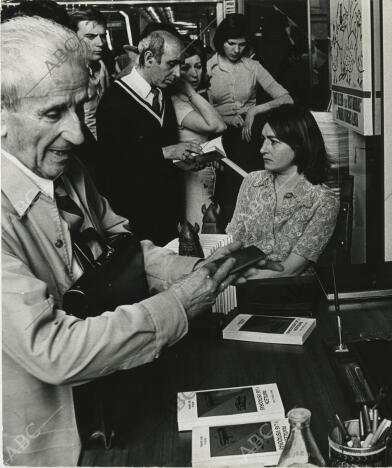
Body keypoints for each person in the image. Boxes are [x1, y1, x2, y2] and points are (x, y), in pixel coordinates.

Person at [1, 17, 279, 466]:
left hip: (118, 410)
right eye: (53, 113)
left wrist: (191, 272)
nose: (76, 133)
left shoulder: (69, 172)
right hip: (50, 448)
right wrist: (180, 305)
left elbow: (123, 249)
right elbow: (52, 350)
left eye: (79, 106)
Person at [96, 29, 203, 246]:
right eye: (171, 64)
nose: (178, 74)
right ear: (148, 58)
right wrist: (165, 152)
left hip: (168, 210)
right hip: (136, 216)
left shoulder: (162, 94)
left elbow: (165, 149)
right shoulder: (113, 100)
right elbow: (112, 165)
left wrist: (184, 160)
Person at [227, 105, 339, 278]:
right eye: (263, 140)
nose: (262, 149)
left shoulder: (323, 200)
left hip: (289, 292)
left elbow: (291, 269)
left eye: (273, 141)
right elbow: (233, 242)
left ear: (299, 144)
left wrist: (230, 280)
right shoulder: (252, 181)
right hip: (240, 282)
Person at [206, 13, 294, 231]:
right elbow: (201, 110)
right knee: (226, 196)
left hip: (248, 137)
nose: (237, 50)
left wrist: (255, 110)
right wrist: (224, 120)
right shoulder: (207, 67)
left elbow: (286, 98)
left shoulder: (253, 67)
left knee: (253, 189)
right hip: (217, 136)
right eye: (231, 44)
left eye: (242, 44)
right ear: (221, 41)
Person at [171, 41, 227, 228]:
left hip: (203, 171)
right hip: (191, 178)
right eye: (186, 68)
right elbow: (218, 125)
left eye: (198, 66)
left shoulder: (195, 97)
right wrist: (188, 90)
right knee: (201, 230)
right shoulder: (178, 102)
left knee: (207, 226)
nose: (194, 74)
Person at [70, 7, 110, 139]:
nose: (100, 43)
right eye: (91, 37)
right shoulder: (67, 75)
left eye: (103, 36)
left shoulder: (102, 66)